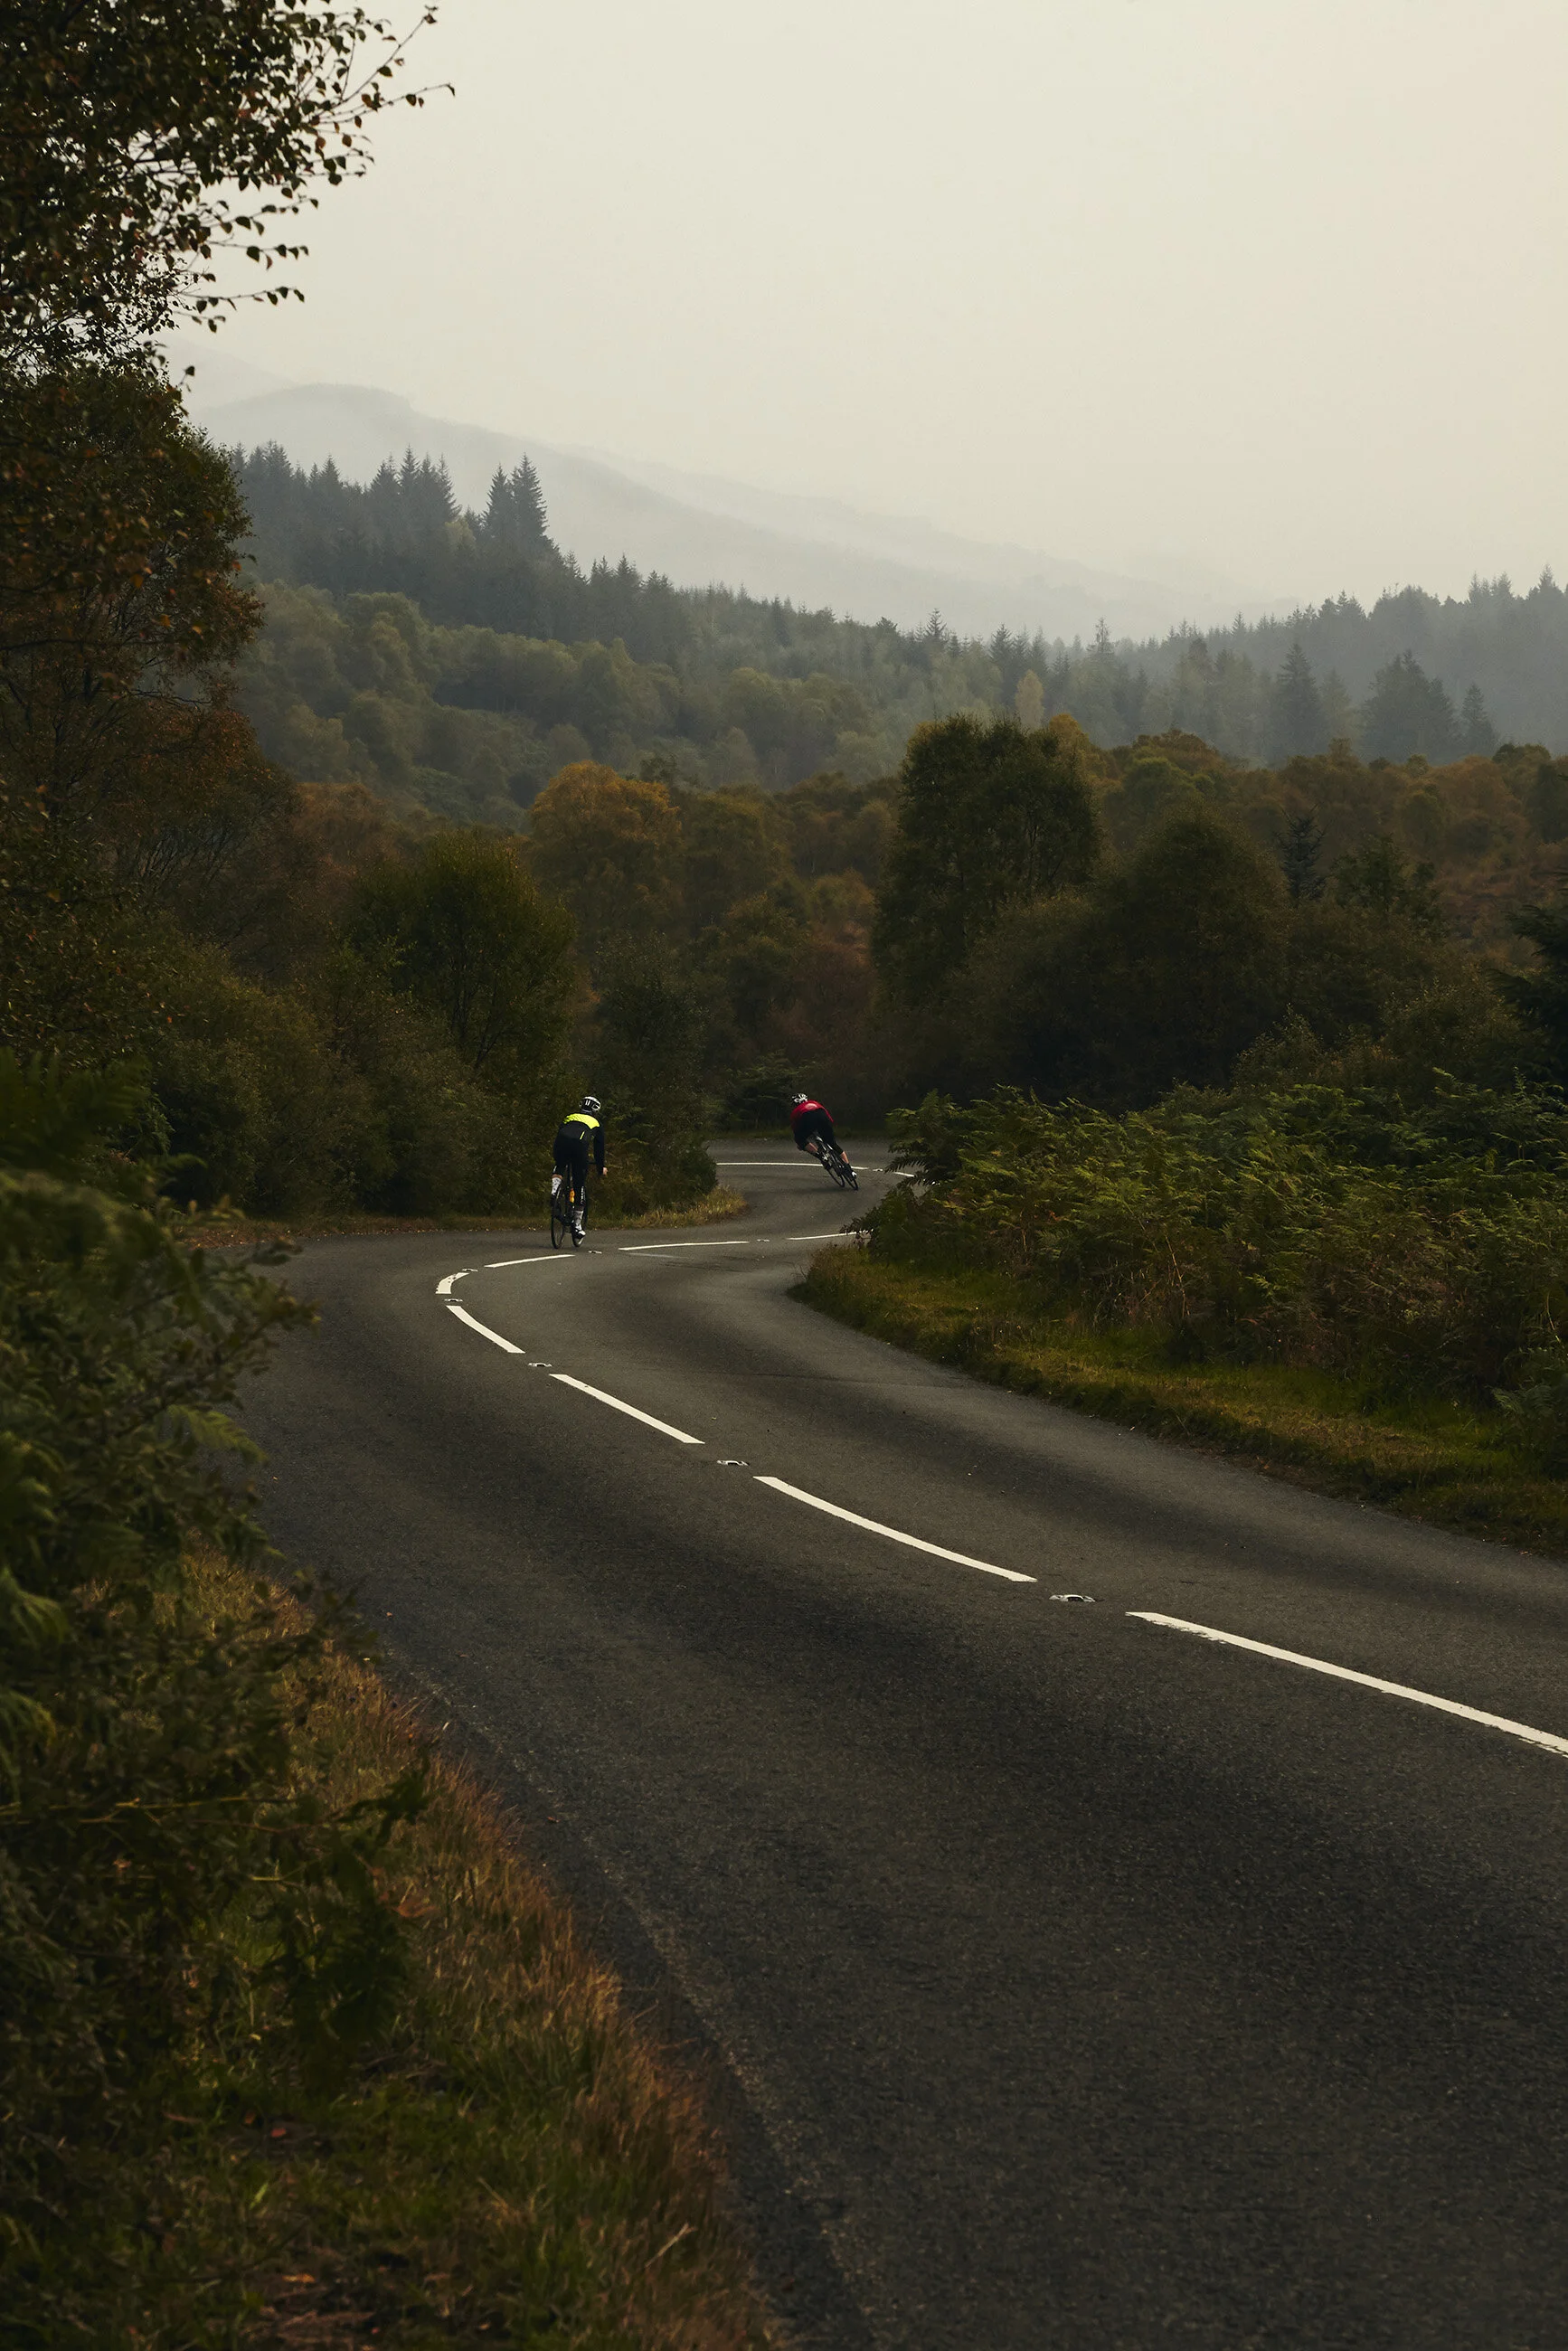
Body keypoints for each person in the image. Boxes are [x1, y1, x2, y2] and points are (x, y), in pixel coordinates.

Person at [553, 1094, 606, 1235]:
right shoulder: (596, 1123)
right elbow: (599, 1149)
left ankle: (554, 1191)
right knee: (579, 1184)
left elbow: (559, 1134)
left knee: (560, 1165)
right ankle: (577, 1225)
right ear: (595, 1111)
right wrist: (601, 1168)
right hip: (579, 1148)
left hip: (561, 1144)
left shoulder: (569, 1117)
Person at [789, 1090, 850, 1171]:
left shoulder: (796, 1110)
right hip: (823, 1117)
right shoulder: (814, 1103)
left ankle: (821, 1157)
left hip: (807, 1119)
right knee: (833, 1143)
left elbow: (795, 1127)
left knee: (799, 1139)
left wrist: (800, 1143)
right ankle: (849, 1169)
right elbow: (827, 1115)